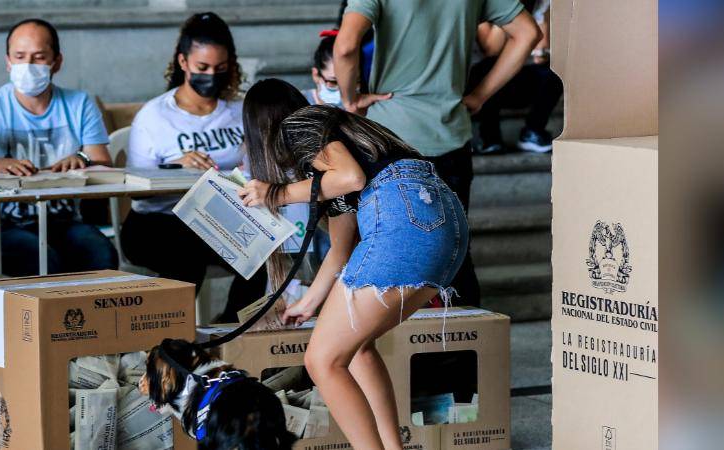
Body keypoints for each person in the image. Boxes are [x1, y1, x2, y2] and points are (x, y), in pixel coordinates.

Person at [237, 79, 467, 450]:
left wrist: (276, 193)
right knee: (355, 348)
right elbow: (341, 250)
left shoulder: (298, 126)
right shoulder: (338, 144)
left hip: (405, 221)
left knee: (322, 361)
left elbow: (351, 177)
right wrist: (307, 304)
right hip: (440, 224)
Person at [335, 0, 540, 307]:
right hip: (451, 137)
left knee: (390, 252)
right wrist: (480, 95)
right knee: (455, 251)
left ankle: (403, 351)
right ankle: (465, 348)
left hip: (390, 142)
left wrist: (350, 99)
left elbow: (345, 47)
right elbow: (527, 33)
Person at [121, 12, 266, 323]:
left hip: (220, 218)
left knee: (261, 253)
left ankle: (227, 332)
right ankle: (167, 343)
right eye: (202, 68)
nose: (211, 75)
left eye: (220, 68)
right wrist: (175, 166)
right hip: (157, 222)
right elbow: (136, 191)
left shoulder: (239, 111)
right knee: (188, 253)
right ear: (183, 62)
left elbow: (258, 172)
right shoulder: (155, 115)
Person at [0, 18, 117, 275]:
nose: (28, 66)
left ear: (57, 61)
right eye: (20, 57)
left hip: (63, 220)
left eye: (39, 57)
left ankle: (86, 316)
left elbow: (102, 162)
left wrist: (81, 159)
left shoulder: (80, 104)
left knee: (100, 253)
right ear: (8, 62)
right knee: (38, 257)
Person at [469, 0, 561, 153]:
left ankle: (533, 132)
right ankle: (489, 138)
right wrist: (512, 10)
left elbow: (541, 45)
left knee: (553, 72)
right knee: (489, 66)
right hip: (480, 81)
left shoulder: (539, 4)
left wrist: (540, 52)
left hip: (516, 78)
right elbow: (492, 48)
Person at [303, 32, 342, 107]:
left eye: (355, 82)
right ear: (316, 75)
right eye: (334, 82)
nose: (345, 88)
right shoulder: (299, 102)